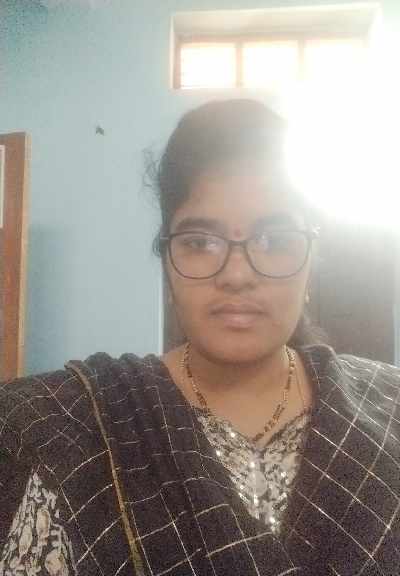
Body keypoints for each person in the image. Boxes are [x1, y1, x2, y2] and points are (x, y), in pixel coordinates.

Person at [0, 99, 399, 576]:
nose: (236, 274)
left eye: (273, 240)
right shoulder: (71, 426)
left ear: (310, 261)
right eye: (201, 242)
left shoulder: (388, 409)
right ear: (168, 262)